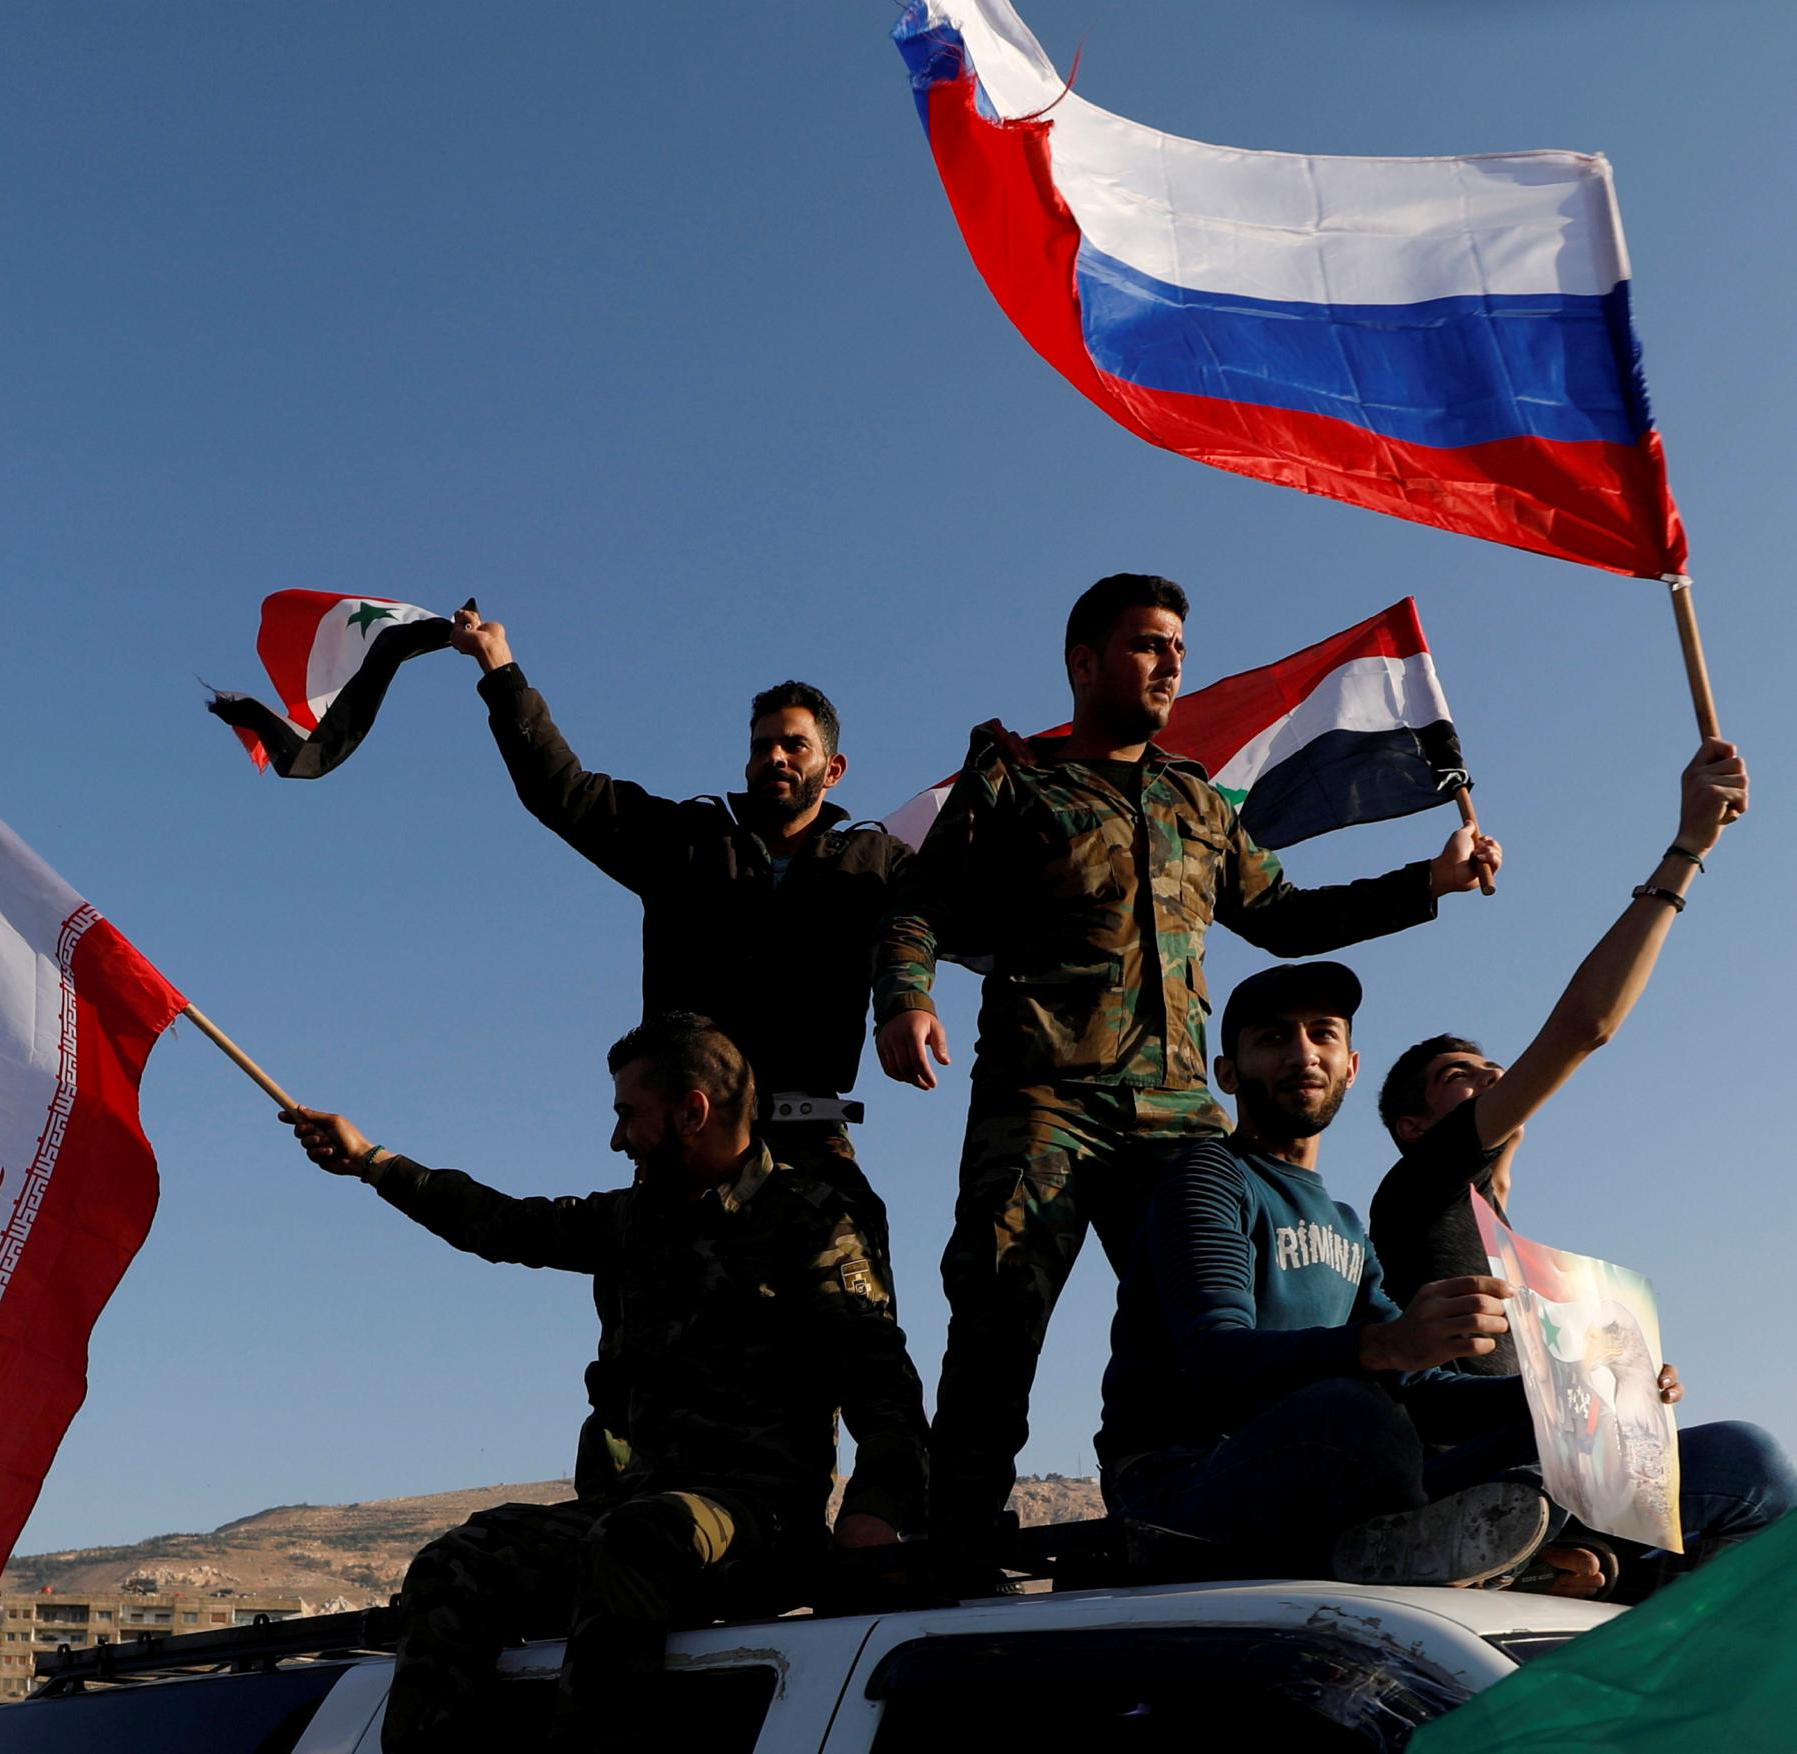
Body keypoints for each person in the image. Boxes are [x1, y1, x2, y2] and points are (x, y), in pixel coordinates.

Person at [872, 571, 1502, 1586]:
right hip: (1045, 1099)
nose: (1169, 662)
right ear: (1083, 662)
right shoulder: (1018, 780)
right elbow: (915, 901)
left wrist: (1424, 880)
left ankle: (1227, 1492)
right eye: (1145, 644)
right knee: (1000, 1311)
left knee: (1215, 1314)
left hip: (1173, 1111)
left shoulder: (1195, 801)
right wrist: (904, 998)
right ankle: (955, 1545)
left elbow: (1285, 916)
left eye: (1177, 647)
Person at [282, 1013, 927, 1754]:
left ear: (693, 1111)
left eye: (629, 1115)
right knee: (456, 1563)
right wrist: (372, 1162)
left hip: (759, 1518)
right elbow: (502, 1225)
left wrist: (874, 1515)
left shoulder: (808, 1222)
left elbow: (884, 1383)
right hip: (639, 1505)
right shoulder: (635, 1221)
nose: (617, 1138)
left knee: (631, 1540)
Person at [1095, 960, 1793, 1588]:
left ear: (1350, 1064)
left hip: (1368, 1482)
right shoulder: (1210, 1178)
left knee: (1747, 1458)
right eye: (1274, 1039)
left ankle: (1643, 1594)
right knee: (1356, 1415)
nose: (1303, 1054)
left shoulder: (1342, 1224)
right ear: (1228, 1073)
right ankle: (1493, 1557)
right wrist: (1388, 1348)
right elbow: (1214, 1356)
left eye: (1322, 1035)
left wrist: (1586, 1393)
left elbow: (1419, 1386)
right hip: (1193, 1483)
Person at [450, 607, 909, 1492]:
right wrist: (501, 672)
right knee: (645, 1350)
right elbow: (564, 793)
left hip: (808, 1145)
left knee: (853, 1338)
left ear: (832, 765)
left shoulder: (873, 865)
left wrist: (909, 1000)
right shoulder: (689, 843)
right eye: (762, 744)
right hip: (687, 1156)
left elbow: (924, 931)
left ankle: (870, 1519)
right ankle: (624, 1518)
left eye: (795, 745)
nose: (775, 758)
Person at [1368, 736, 1747, 1352]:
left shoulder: (1499, 1237)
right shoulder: (1419, 1187)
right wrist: (1688, 849)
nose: (1494, 1076)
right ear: (1414, 1128)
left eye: (1494, 1066)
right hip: (1476, 1449)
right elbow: (1583, 1028)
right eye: (1458, 1075)